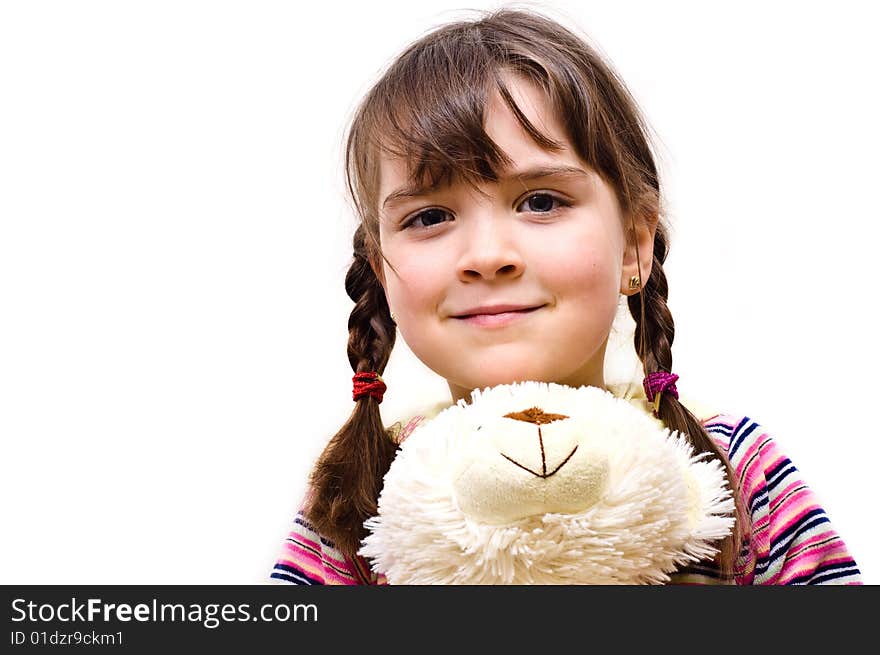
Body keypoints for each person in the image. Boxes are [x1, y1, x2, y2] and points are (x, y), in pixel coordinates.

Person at [270, 8, 861, 585]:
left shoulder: (734, 467)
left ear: (634, 244)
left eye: (542, 202)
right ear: (382, 271)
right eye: (430, 215)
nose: (486, 255)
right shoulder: (359, 486)